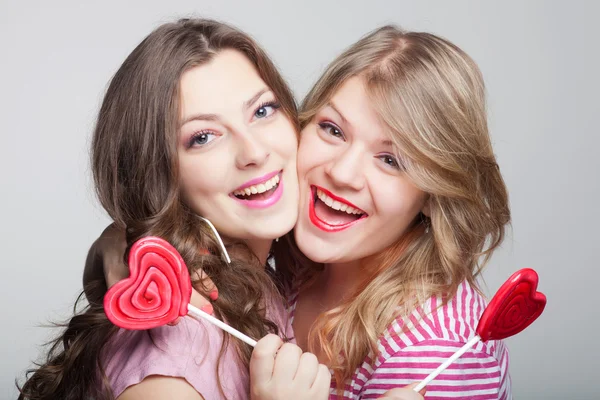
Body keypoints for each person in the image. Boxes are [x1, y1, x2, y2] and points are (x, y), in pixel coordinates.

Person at [17, 18, 332, 400]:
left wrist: (119, 240)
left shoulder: (264, 275)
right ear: (158, 173)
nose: (255, 152)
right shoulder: (176, 351)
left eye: (262, 111)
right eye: (202, 137)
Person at [283, 25, 512, 399]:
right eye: (332, 129)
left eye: (391, 160)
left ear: (432, 193)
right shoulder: (295, 269)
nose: (342, 173)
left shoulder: (434, 353)